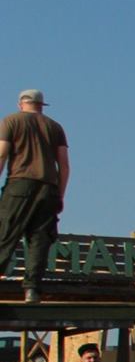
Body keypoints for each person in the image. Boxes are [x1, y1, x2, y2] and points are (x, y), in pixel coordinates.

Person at [0, 88, 69, 304]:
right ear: (41, 105)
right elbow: (64, 166)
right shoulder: (55, 127)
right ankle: (32, 290)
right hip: (48, 189)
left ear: (21, 103)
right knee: (39, 240)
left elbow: (2, 153)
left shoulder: (11, 121)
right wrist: (60, 194)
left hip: (19, 185)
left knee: (6, 234)